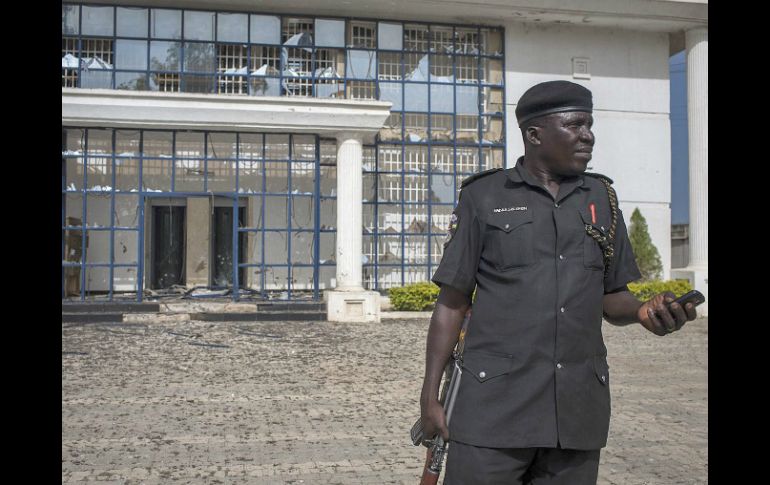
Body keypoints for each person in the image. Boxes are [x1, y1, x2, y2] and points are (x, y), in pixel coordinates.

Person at [419, 80, 698, 485]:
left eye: (590, 125)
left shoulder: (602, 199)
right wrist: (430, 396)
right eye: (576, 125)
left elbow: (613, 296)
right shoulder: (484, 197)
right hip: (492, 411)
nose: (588, 136)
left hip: (576, 413)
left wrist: (643, 312)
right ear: (535, 134)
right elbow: (452, 301)